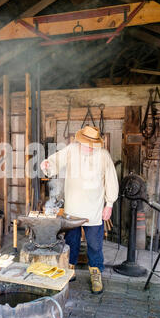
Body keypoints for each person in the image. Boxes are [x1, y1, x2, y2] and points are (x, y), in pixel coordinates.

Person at [40, 125, 119, 294]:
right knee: (71, 242)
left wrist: (109, 204)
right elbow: (55, 161)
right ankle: (70, 269)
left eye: (92, 144)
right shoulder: (71, 150)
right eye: (86, 143)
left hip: (95, 209)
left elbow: (111, 179)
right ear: (80, 140)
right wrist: (48, 164)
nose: (89, 147)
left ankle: (96, 274)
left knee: (95, 245)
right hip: (73, 209)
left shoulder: (103, 156)